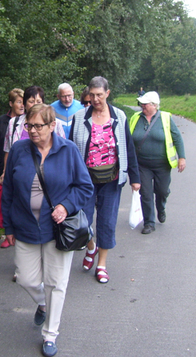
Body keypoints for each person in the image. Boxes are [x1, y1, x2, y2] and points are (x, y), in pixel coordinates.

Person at [2, 104, 93, 357]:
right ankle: (43, 303)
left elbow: (85, 187)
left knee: (57, 283)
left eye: (38, 126)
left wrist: (65, 206)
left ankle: (50, 334)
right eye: (29, 126)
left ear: (53, 126)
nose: (32, 131)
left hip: (57, 230)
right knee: (26, 278)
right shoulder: (19, 150)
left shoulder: (68, 151)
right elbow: (7, 189)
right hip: (24, 227)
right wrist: (8, 225)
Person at [70, 76, 141, 284]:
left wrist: (135, 178)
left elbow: (128, 147)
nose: (95, 99)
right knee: (83, 220)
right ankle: (90, 247)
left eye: (99, 95)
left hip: (112, 179)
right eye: (91, 95)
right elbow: (71, 150)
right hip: (85, 181)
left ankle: (101, 264)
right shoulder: (79, 117)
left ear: (107, 94)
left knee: (107, 222)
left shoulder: (119, 116)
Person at [129, 91, 186, 234]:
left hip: (162, 165)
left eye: (145, 104)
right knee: (146, 193)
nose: (142, 106)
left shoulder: (165, 118)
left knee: (162, 191)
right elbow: (129, 139)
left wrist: (182, 157)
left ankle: (161, 207)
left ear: (154, 105)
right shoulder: (136, 118)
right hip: (142, 165)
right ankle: (149, 222)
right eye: (141, 103)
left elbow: (177, 138)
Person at [2, 86, 65, 174]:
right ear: (25, 104)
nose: (35, 104)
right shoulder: (13, 123)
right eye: (31, 101)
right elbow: (8, 150)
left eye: (38, 101)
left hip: (49, 171)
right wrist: (5, 171)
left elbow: (63, 149)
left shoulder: (54, 123)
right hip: (19, 172)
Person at [0, 88, 24, 183]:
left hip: (22, 167)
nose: (22, 106)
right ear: (11, 104)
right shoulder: (1, 121)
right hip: (3, 168)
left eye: (24, 102)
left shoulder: (28, 121)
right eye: (19, 102)